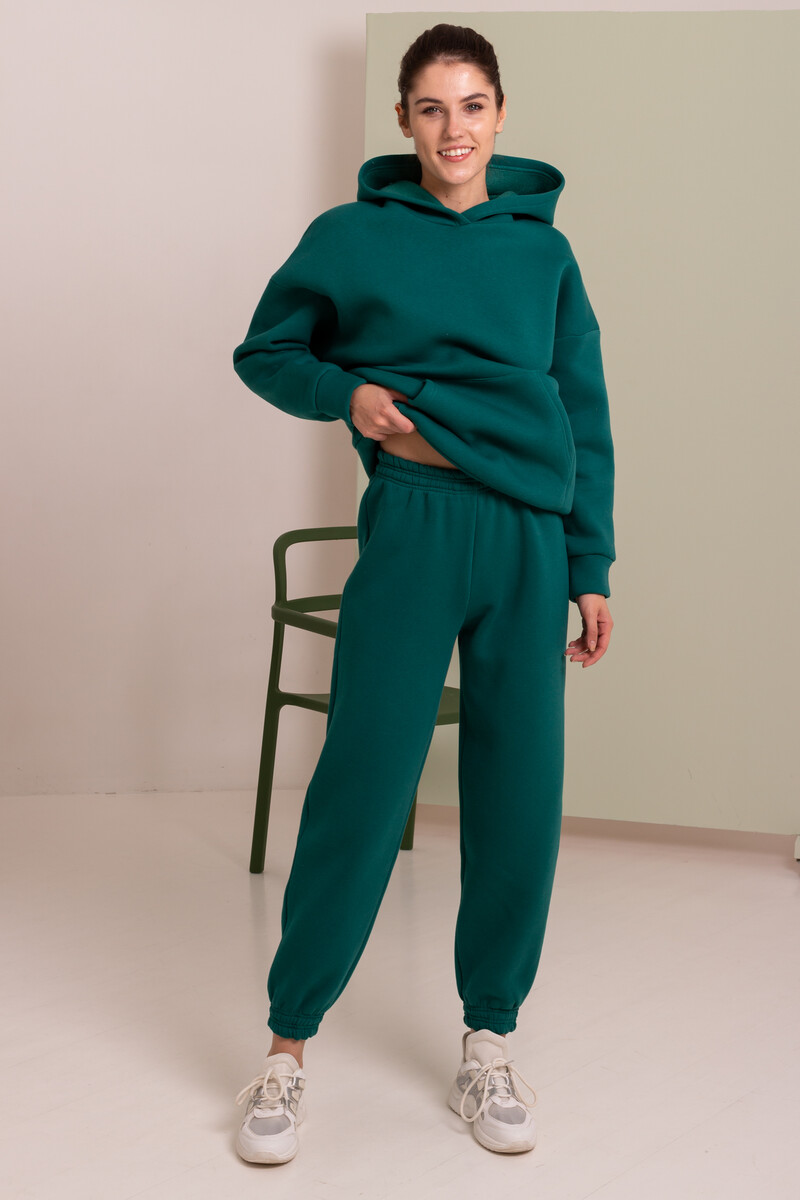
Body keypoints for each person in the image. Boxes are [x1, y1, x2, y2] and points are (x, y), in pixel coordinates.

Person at [230, 22, 616, 1164]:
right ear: (402, 118)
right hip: (414, 523)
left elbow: (583, 413)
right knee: (362, 779)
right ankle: (286, 1049)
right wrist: (347, 396)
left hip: (529, 539)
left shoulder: (544, 254)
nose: (455, 129)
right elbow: (267, 352)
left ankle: (489, 1038)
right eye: (433, 107)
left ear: (500, 113)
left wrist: (590, 566)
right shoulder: (350, 237)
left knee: (518, 792)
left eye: (474, 105)